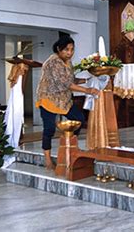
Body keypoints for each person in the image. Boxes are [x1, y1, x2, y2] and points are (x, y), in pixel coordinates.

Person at [36, 34, 98, 169]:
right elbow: (66, 84)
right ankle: (47, 159)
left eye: (72, 49)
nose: (69, 53)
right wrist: (88, 90)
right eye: (66, 50)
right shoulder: (53, 62)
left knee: (79, 119)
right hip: (49, 99)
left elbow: (72, 80)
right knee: (49, 129)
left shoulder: (67, 62)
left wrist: (89, 80)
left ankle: (68, 145)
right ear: (59, 49)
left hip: (63, 100)